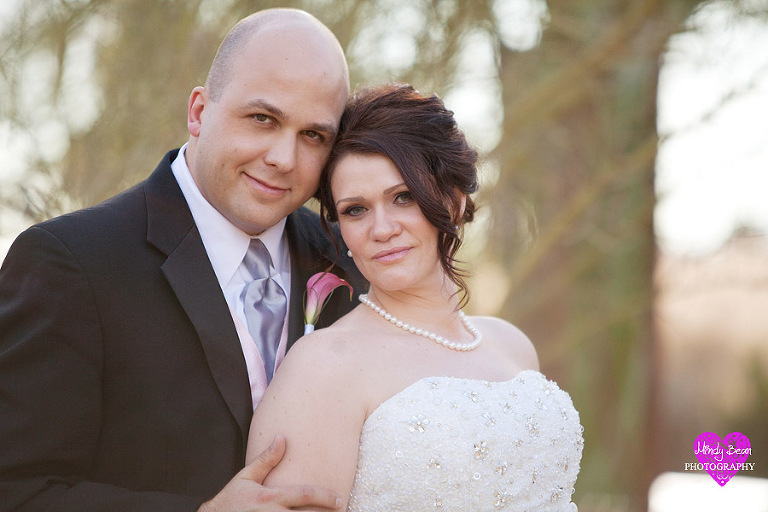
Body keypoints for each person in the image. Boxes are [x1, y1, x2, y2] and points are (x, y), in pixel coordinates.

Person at [0, 8, 365, 512]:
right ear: (198, 111)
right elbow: (16, 490)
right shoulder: (70, 262)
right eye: (263, 119)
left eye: (313, 136)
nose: (284, 158)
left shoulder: (352, 260)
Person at [245, 83, 583, 512]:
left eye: (403, 198)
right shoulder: (324, 366)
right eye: (355, 210)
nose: (382, 229)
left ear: (454, 200)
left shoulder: (513, 346)